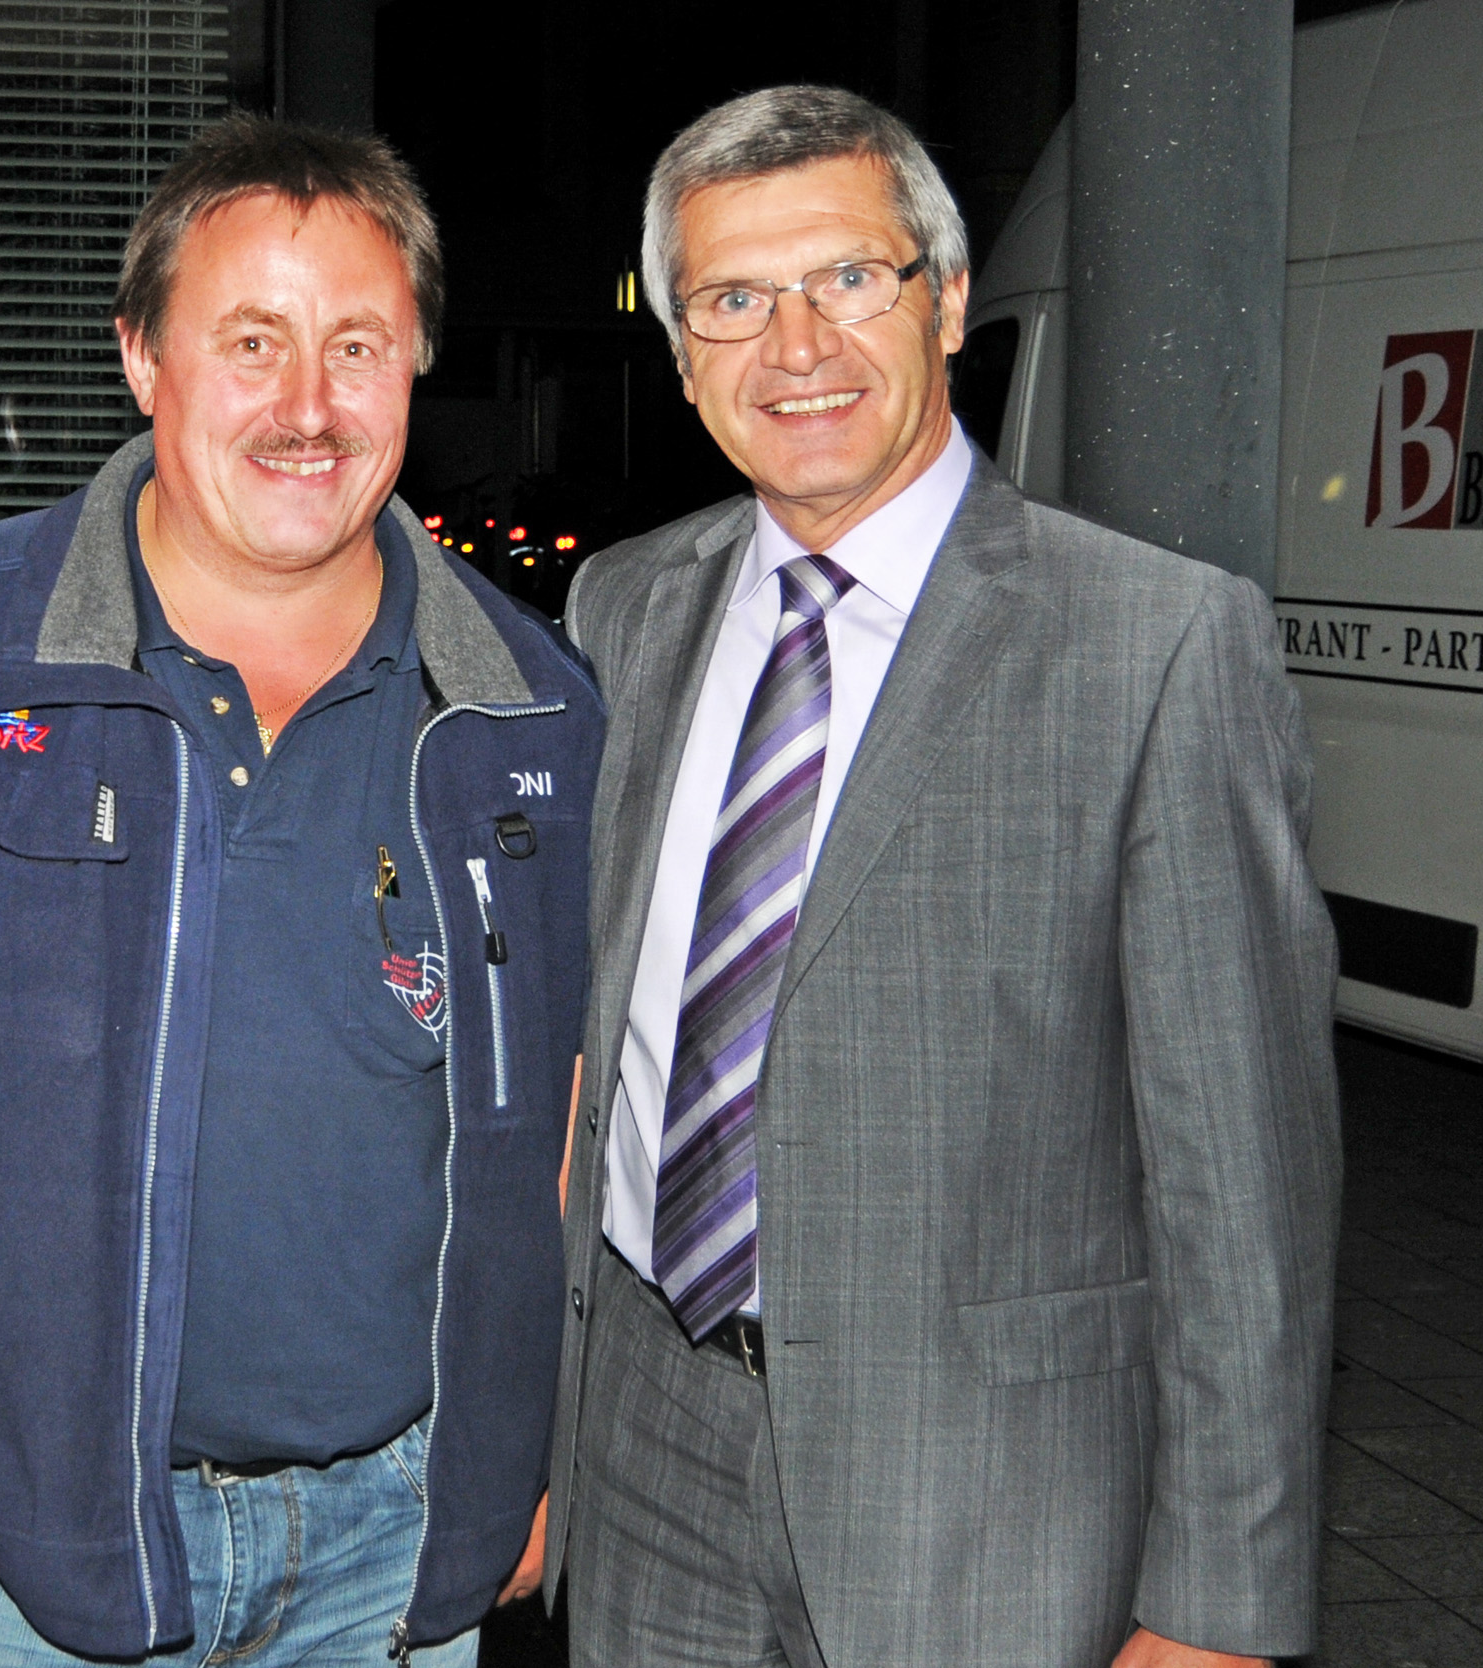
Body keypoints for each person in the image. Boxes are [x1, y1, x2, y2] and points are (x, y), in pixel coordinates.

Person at [0, 115, 602, 1666]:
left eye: (357, 346)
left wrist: (525, 1446)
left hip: (391, 1560)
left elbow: (567, 1115)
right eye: (251, 341)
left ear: (416, 365)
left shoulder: (530, 713)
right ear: (142, 357)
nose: (308, 407)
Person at [543, 86, 1341, 1668]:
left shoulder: (1157, 644)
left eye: (849, 278)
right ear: (684, 353)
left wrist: (1218, 1610)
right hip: (645, 1458)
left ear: (950, 299)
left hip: (986, 1500)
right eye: (733, 300)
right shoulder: (623, 609)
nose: (797, 345)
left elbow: (1245, 1185)